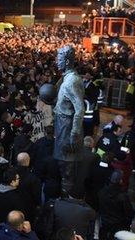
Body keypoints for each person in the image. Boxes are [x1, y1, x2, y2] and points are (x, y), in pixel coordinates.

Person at [51, 45, 85, 193]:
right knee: (61, 164)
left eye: (59, 59)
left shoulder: (72, 81)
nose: (56, 62)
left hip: (67, 128)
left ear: (66, 61)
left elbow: (80, 109)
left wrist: (74, 134)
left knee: (67, 167)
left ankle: (66, 196)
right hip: (61, 125)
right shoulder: (65, 78)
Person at [98, 170, 135, 239]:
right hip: (119, 226)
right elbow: (129, 213)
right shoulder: (123, 196)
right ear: (120, 181)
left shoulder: (102, 192)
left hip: (104, 223)